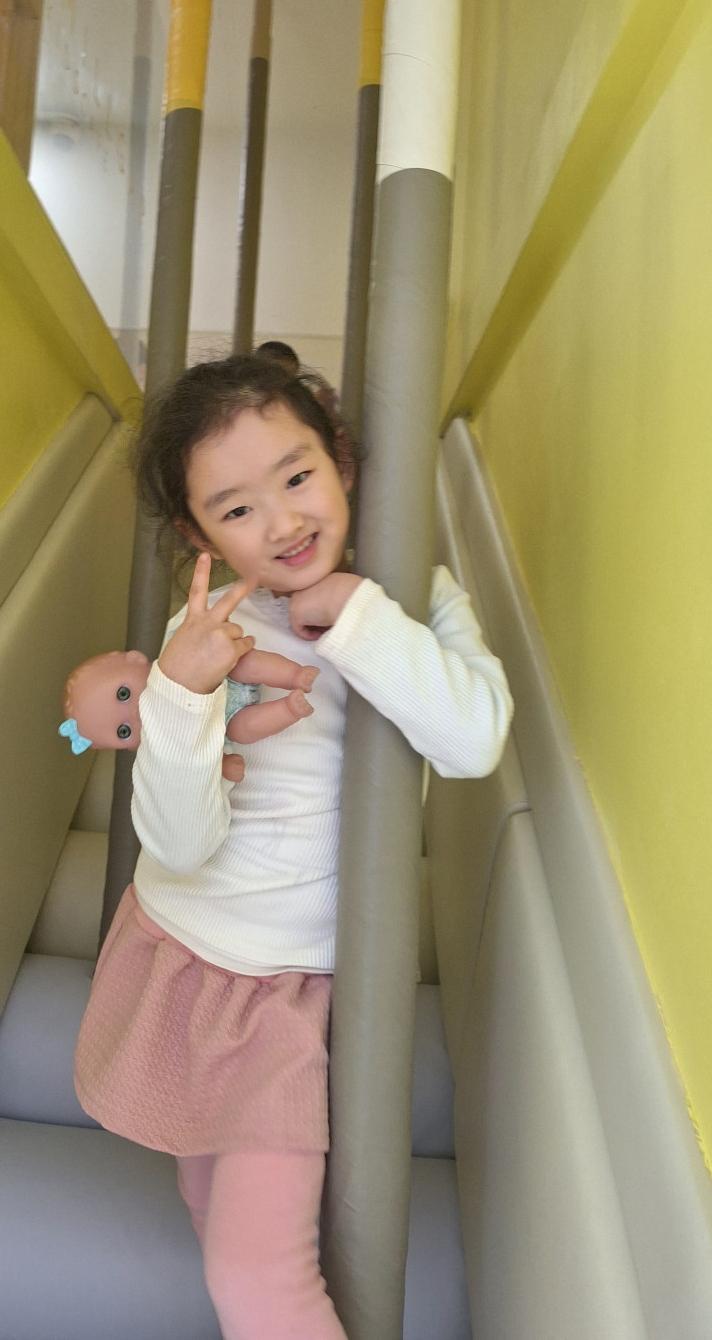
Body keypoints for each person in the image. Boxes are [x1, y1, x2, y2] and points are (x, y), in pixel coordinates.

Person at [73, 355, 512, 1339]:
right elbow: (177, 841)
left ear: (341, 460)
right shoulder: (210, 633)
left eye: (296, 477)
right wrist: (180, 696)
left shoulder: (415, 598)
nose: (279, 523)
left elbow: (474, 739)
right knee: (202, 1203)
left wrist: (357, 616)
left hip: (289, 993)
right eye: (236, 510)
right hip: (182, 951)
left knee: (256, 1278)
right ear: (199, 537)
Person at [59, 642, 319, 782]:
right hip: (228, 720)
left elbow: (205, 644)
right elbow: (197, 760)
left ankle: (294, 675)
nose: (136, 713)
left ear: (136, 659)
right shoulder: (166, 746)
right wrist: (223, 765)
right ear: (131, 747)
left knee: (248, 663)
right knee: (244, 730)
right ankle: (289, 709)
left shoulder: (175, 653)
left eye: (124, 694)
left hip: (229, 676)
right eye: (124, 731)